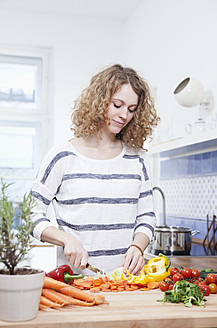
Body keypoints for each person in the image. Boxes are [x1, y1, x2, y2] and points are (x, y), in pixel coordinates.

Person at [30, 64, 159, 276]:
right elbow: (30, 215)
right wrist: (66, 239)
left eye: (131, 109)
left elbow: (146, 217)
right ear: (99, 101)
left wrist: (138, 246)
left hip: (126, 282)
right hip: (77, 282)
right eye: (117, 105)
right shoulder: (62, 156)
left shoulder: (137, 159)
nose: (124, 115)